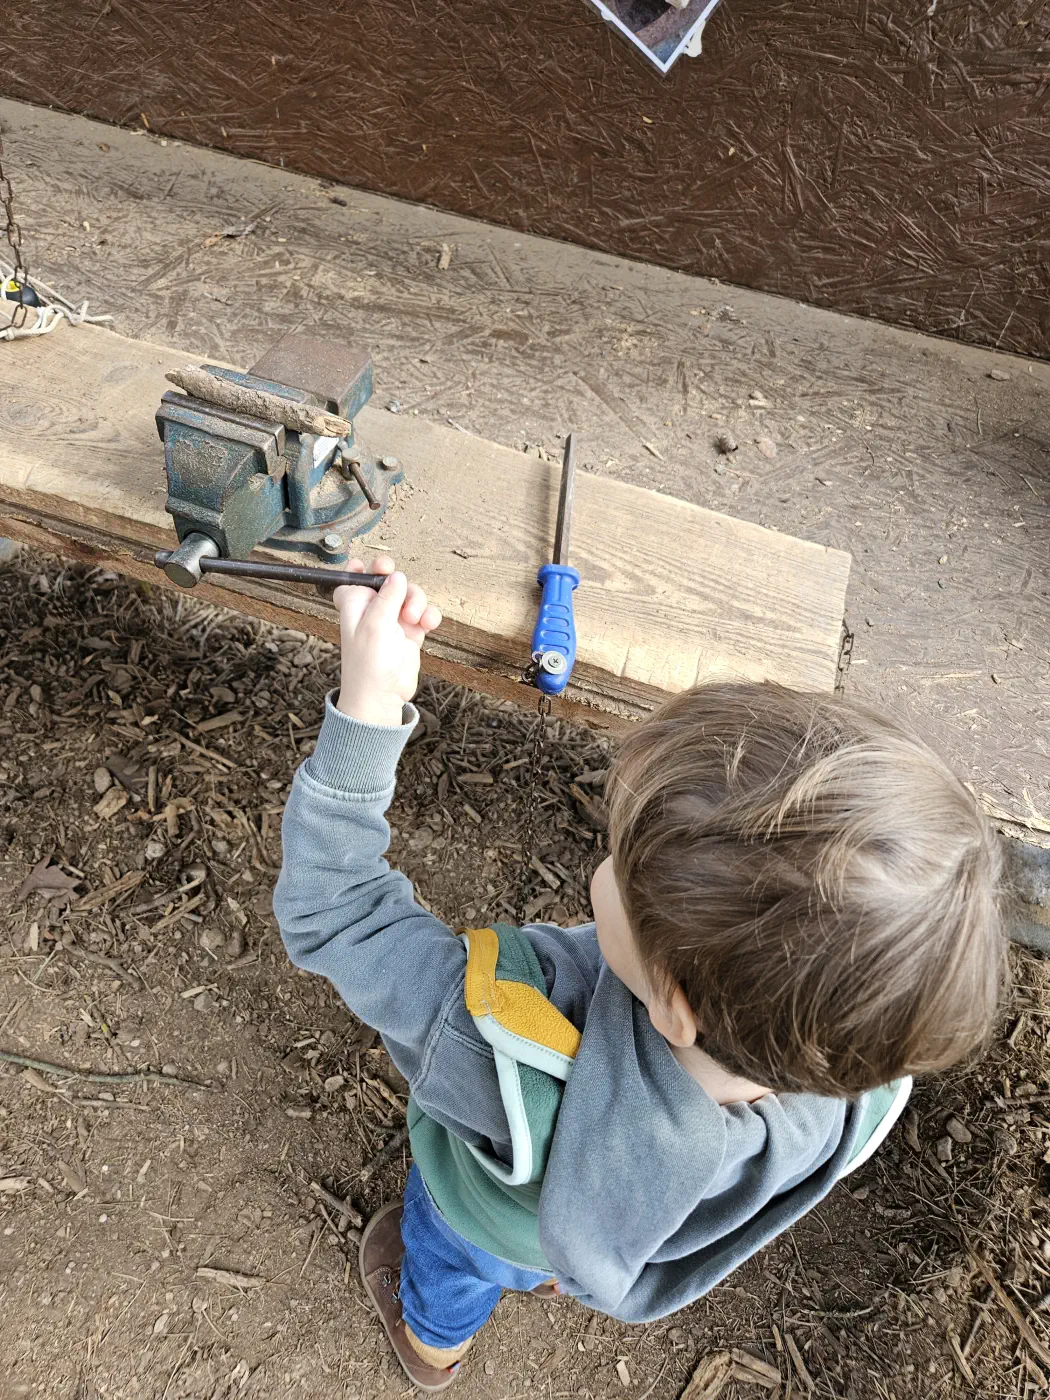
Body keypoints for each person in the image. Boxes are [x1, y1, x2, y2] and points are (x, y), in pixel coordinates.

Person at [274, 555, 1004, 1393]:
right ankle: (541, 1275)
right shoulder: (857, 1074)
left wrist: (368, 706)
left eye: (622, 867)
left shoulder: (504, 1054)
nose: (610, 858)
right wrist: (588, 1256)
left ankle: (429, 1344)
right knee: (528, 1258)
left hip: (480, 1214)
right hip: (593, 1240)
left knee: (448, 1263)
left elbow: (334, 907)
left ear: (675, 1004)